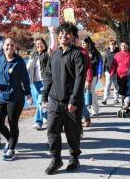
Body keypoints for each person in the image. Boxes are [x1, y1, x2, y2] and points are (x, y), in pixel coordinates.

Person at [42, 23, 86, 175]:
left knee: (72, 133)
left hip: (71, 102)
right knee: (52, 130)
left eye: (68, 33)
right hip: (54, 100)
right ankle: (56, 159)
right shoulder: (54, 54)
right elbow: (48, 76)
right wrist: (44, 95)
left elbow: (80, 79)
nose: (63, 35)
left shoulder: (77, 54)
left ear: (73, 37)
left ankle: (74, 157)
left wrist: (74, 101)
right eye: (61, 33)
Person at [0, 37, 32, 161]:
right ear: (3, 47)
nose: (10, 47)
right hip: (2, 96)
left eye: (12, 45)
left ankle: (11, 149)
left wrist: (28, 94)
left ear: (15, 47)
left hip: (16, 97)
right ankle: (10, 139)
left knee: (12, 123)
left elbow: (25, 79)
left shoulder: (19, 62)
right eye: (7, 45)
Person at [27, 38, 50, 130]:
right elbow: (28, 67)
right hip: (35, 82)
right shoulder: (33, 56)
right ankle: (46, 117)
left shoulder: (47, 54)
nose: (39, 45)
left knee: (41, 102)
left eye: (41, 43)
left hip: (45, 81)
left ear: (44, 44)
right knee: (39, 102)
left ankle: (38, 122)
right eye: (37, 44)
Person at [81, 36, 102, 116]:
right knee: (82, 93)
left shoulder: (94, 52)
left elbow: (96, 62)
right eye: (82, 43)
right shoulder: (80, 51)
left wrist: (88, 62)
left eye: (84, 43)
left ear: (88, 44)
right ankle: (84, 110)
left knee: (92, 92)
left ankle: (95, 109)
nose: (83, 45)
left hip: (92, 75)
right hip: (82, 75)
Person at [102, 40, 120, 105]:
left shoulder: (118, 52)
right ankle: (105, 99)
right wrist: (104, 70)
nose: (112, 46)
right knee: (107, 85)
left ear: (115, 45)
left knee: (116, 85)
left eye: (113, 45)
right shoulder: (107, 52)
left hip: (116, 71)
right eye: (111, 45)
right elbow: (105, 61)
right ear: (109, 45)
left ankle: (116, 98)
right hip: (108, 71)